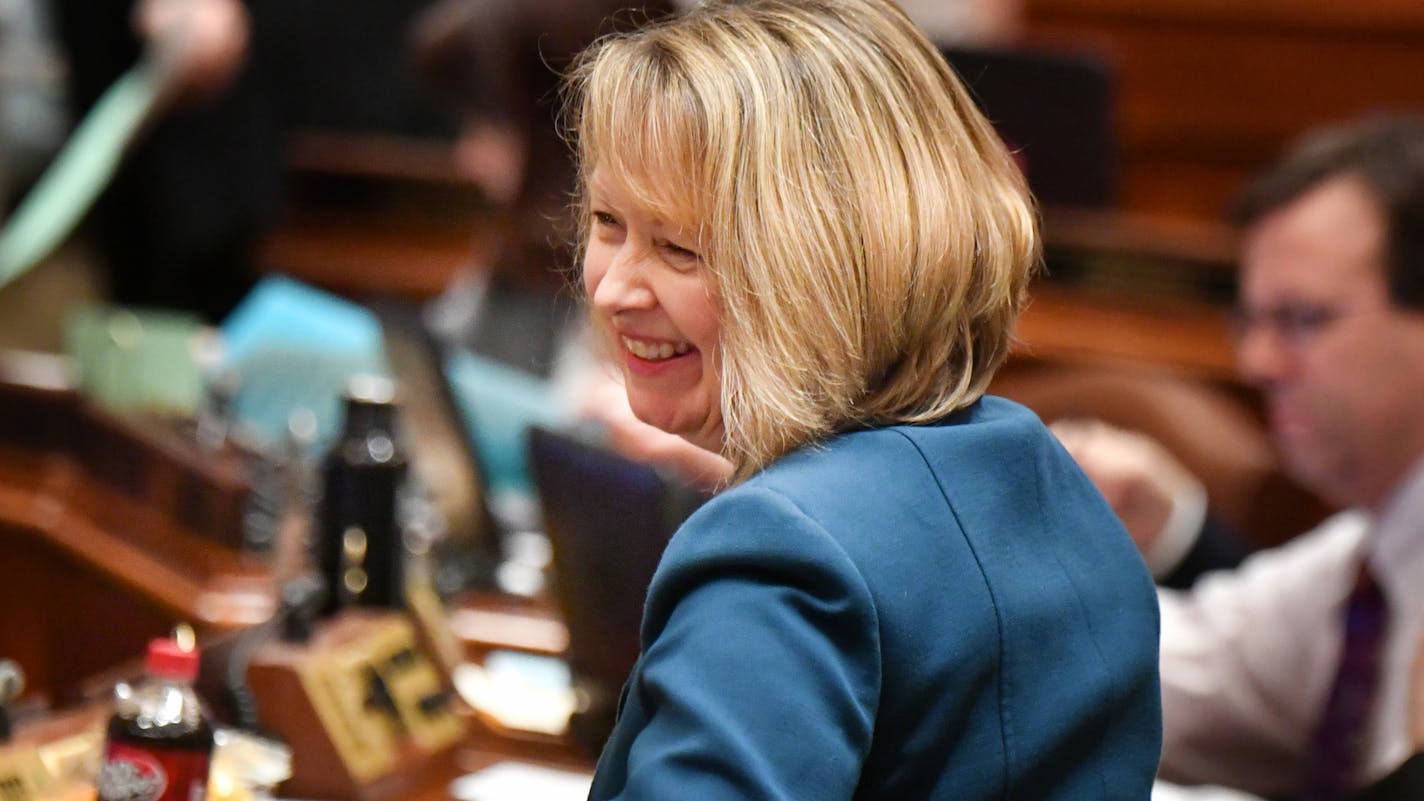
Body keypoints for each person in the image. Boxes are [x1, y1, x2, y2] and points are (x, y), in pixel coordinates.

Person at [562, 1, 1162, 799]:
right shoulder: (1042, 473)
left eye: (679, 246)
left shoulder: (781, 548)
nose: (615, 286)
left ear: (831, 267)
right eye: (608, 221)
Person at [1062, 114, 1424, 801]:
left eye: (1303, 319)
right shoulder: (1371, 550)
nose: (1256, 361)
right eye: (1249, 320)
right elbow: (1184, 664)